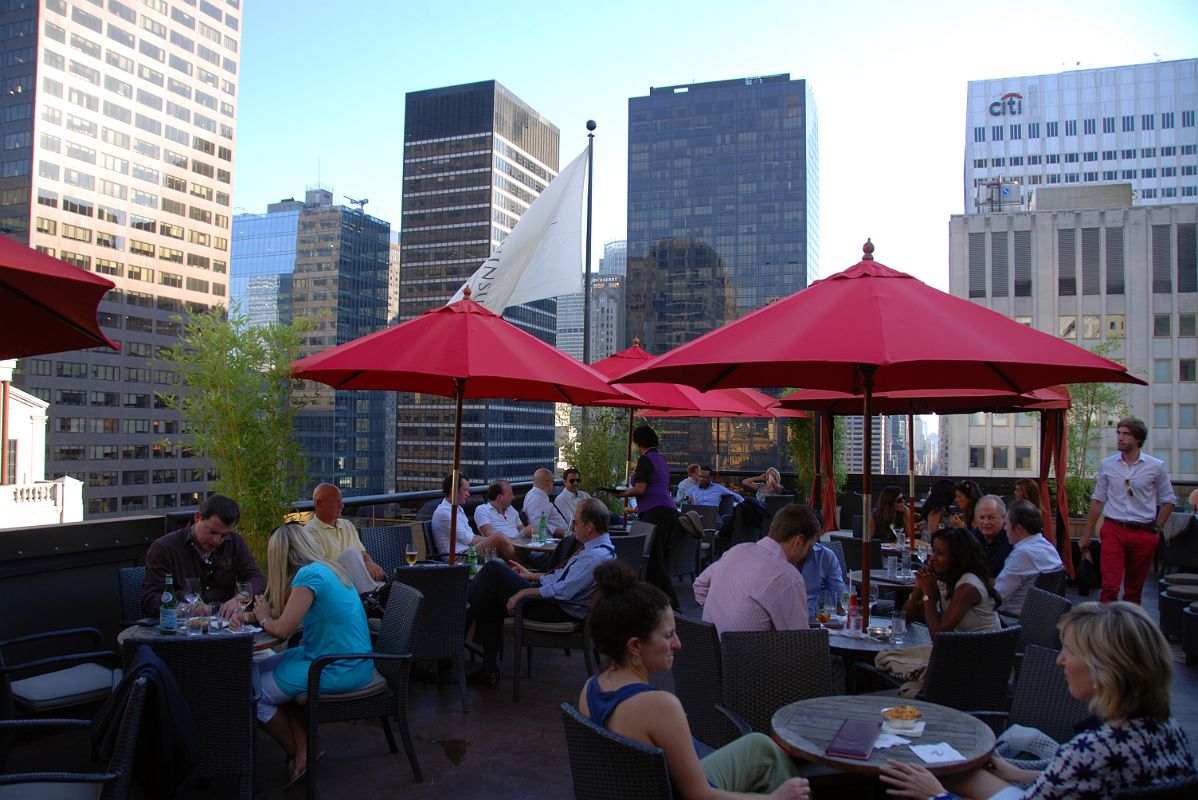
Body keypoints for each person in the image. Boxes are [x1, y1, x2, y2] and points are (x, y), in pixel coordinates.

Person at [879, 602, 1196, 800]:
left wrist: (937, 796)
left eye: (1070, 651)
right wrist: (1015, 773)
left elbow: (1082, 772)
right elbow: (1081, 784)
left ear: (1105, 670)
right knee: (958, 771)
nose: (1059, 661)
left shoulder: (1094, 749)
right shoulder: (1167, 728)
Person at [581, 560, 811, 799]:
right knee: (776, 769)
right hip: (680, 792)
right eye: (668, 635)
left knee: (759, 745)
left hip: (643, 787)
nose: (678, 644)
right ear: (636, 646)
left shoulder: (590, 689)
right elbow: (700, 796)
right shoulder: (659, 706)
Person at [249, 524, 372, 787]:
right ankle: (303, 740)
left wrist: (261, 618)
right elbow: (285, 611)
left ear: (280, 554)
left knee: (250, 693)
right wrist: (253, 615)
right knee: (253, 674)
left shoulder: (308, 577)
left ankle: (300, 749)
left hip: (334, 667)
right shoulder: (326, 569)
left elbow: (281, 629)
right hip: (341, 658)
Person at [464, 497, 616, 686]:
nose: (572, 525)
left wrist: (523, 593)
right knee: (491, 596)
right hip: (559, 605)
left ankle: (457, 633)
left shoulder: (593, 557)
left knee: (493, 570)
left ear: (590, 526)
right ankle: (487, 667)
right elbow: (564, 580)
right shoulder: (601, 549)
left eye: (575, 521)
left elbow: (562, 591)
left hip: (558, 611)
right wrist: (532, 576)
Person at [1081, 416, 1175, 605]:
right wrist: (1087, 533)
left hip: (1143, 531)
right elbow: (1098, 499)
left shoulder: (1155, 466)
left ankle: (1128, 631)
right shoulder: (1108, 464)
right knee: (1110, 587)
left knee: (1134, 591)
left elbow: (1169, 499)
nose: (1120, 438)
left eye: (1126, 434)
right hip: (1114, 529)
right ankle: (1105, 631)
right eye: (1119, 433)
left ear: (1138, 439)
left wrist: (1157, 529)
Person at [693, 504, 818, 634]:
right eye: (809, 547)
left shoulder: (738, 550)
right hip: (748, 652)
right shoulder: (787, 576)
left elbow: (699, 585)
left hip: (708, 650)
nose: (807, 554)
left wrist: (720, 616)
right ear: (798, 541)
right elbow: (800, 641)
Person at [142, 494, 265, 618]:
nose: (216, 541)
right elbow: (151, 598)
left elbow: (257, 579)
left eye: (223, 535)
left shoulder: (234, 543)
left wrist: (240, 599)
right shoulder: (165, 547)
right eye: (212, 532)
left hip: (223, 625)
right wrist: (187, 608)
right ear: (197, 518)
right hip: (180, 627)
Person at [621, 425, 681, 608]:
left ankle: (670, 604)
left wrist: (621, 494)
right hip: (668, 510)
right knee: (657, 557)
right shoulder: (661, 459)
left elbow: (641, 489)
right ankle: (654, 601)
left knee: (652, 558)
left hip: (655, 511)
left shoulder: (645, 460)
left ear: (638, 444)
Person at [903, 527, 1001, 636]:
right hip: (958, 646)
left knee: (891, 653)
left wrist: (928, 592)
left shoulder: (968, 586)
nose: (932, 558)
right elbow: (906, 619)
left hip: (982, 649)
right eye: (933, 551)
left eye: (940, 553)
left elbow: (939, 636)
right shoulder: (946, 578)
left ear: (957, 557)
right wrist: (918, 588)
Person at [304, 483, 385, 593]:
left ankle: (374, 593)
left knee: (397, 591)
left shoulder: (347, 525)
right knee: (350, 554)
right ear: (319, 503)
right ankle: (372, 595)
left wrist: (374, 570)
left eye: (341, 501)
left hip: (359, 583)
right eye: (337, 502)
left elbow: (363, 554)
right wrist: (362, 565)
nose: (342, 506)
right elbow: (321, 570)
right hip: (335, 586)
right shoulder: (310, 532)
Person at [994, 499, 1064, 618]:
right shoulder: (1048, 547)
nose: (1004, 528)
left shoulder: (1022, 554)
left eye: (1006, 524)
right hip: (1042, 621)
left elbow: (997, 599)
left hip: (1012, 623)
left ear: (1019, 529)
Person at [431, 473, 506, 557]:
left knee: (500, 543)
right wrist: (493, 540)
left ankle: (518, 565)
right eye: (465, 490)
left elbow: (471, 536)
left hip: (469, 552)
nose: (468, 494)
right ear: (454, 490)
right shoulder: (444, 512)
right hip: (459, 557)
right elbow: (469, 540)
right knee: (498, 538)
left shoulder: (458, 509)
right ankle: (520, 565)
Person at [470, 480, 522, 561]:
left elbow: (523, 530)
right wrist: (511, 541)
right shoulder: (482, 510)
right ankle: (524, 568)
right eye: (510, 494)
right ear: (500, 498)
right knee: (498, 538)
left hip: (519, 544)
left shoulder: (511, 509)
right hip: (502, 547)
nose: (513, 497)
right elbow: (490, 535)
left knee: (531, 529)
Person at [971, 495, 1014, 579]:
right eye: (982, 517)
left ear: (1003, 517)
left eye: (991, 517)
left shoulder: (1012, 540)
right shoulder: (971, 537)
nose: (985, 522)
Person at [524, 467, 570, 538]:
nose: (553, 484)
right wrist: (557, 530)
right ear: (548, 482)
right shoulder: (537, 499)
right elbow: (538, 527)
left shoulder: (535, 495)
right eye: (553, 481)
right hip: (558, 541)